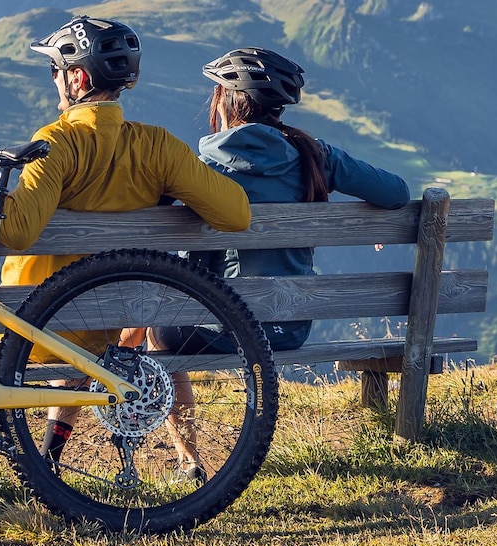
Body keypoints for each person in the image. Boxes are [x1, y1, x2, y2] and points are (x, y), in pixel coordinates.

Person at [0, 14, 250, 467]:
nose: (55, 80)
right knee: (77, 347)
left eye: (56, 71)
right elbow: (236, 214)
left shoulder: (58, 142)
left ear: (77, 77)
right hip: (112, 330)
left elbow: (18, 230)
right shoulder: (159, 148)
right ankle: (47, 460)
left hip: (35, 332)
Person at [164, 46, 411, 352]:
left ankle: (172, 402)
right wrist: (375, 222)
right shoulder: (316, 157)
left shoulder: (202, 170)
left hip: (229, 329)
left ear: (227, 102)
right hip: (291, 329)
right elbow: (397, 192)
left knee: (153, 330)